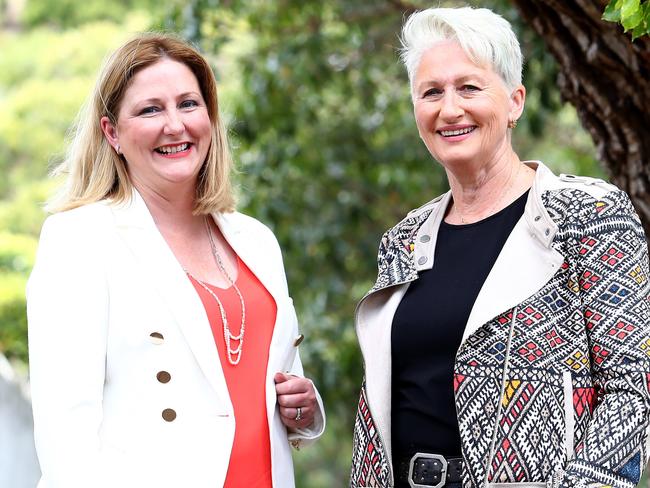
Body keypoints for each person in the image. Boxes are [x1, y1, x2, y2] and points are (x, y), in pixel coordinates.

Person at [350, 7, 649, 488]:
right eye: (431, 92)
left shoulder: (590, 215)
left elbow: (630, 389)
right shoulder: (404, 240)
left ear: (515, 102)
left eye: (469, 87)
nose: (450, 109)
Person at [27, 32, 325, 488]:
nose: (175, 125)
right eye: (150, 109)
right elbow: (66, 437)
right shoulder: (80, 238)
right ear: (112, 133)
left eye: (189, 104)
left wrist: (303, 406)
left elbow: (268, 383)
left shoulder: (256, 240)